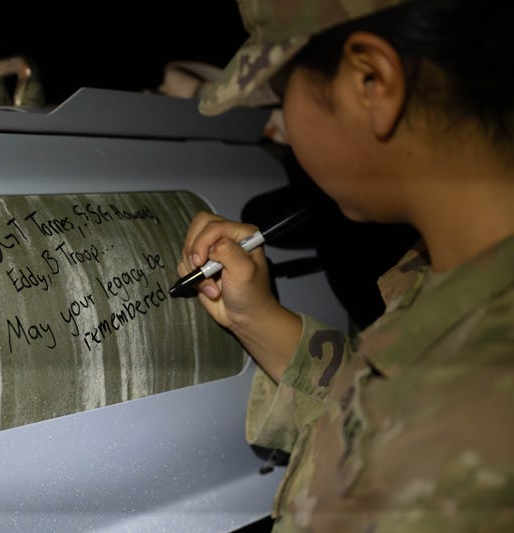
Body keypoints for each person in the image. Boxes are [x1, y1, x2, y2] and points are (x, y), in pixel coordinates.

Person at [177, 0, 514, 531]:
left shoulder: (460, 438)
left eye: (283, 93)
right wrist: (259, 319)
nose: (281, 124)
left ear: (371, 82)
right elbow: (376, 410)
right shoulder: (459, 277)